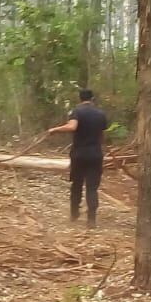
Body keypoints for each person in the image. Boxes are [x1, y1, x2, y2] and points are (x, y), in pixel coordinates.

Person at [47, 89, 109, 227]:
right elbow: (102, 135)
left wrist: (54, 130)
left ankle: (74, 214)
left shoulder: (77, 111)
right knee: (92, 187)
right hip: (95, 154)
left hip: (79, 154)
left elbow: (72, 126)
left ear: (80, 99)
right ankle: (91, 219)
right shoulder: (101, 114)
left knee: (77, 185)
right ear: (92, 99)